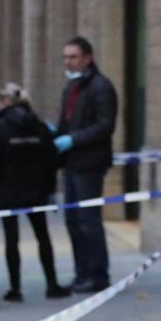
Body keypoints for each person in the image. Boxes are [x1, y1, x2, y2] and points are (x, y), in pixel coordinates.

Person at [0, 83, 70, 302]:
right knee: (43, 235)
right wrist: (49, 189)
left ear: (5, 101)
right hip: (36, 189)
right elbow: (52, 160)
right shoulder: (40, 126)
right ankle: (51, 284)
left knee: (11, 240)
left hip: (7, 190)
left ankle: (15, 289)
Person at [54, 35, 118, 293]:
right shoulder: (72, 87)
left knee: (88, 219)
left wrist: (73, 139)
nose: (68, 62)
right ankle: (82, 274)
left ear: (87, 58)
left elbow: (105, 126)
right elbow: (66, 121)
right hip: (71, 163)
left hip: (90, 163)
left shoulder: (101, 87)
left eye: (73, 57)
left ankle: (98, 275)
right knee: (72, 220)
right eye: (66, 57)